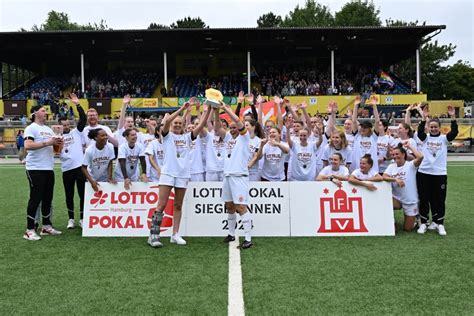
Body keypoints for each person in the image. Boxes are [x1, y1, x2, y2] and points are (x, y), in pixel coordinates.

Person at [148, 102, 211, 248]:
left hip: (182, 175)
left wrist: (207, 111)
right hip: (168, 173)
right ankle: (153, 235)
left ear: (183, 125)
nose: (177, 125)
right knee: (161, 205)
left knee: (178, 205)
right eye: (175, 123)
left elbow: (201, 126)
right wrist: (182, 109)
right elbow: (168, 120)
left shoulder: (188, 137)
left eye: (179, 123)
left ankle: (175, 234)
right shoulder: (166, 135)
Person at [214, 103, 253, 249]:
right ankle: (231, 234)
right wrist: (216, 111)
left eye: (234, 127)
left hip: (239, 176)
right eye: (230, 127)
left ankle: (248, 238)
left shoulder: (244, 138)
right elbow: (217, 128)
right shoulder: (228, 138)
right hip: (227, 176)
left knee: (241, 207)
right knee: (229, 206)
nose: (232, 128)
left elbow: (239, 122)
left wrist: (227, 110)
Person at [415, 105, 458, 236]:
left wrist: (452, 117)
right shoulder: (425, 137)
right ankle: (423, 223)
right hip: (424, 173)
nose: (433, 129)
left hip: (439, 174)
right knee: (424, 199)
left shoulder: (444, 139)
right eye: (431, 127)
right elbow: (420, 131)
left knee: (439, 199)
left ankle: (439, 223)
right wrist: (423, 118)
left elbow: (454, 133)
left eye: (436, 127)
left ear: (439, 128)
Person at [23, 104, 63, 241]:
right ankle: (29, 230)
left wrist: (59, 144)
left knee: (48, 199)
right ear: (35, 113)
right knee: (35, 199)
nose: (46, 112)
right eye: (43, 110)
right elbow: (28, 146)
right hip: (35, 169)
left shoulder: (48, 129)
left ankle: (46, 226)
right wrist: (47, 142)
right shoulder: (31, 128)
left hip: (48, 168)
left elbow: (55, 149)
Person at [58, 93, 87, 229]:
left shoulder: (76, 132)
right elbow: (56, 154)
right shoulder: (56, 137)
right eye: (64, 125)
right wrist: (59, 146)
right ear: (59, 126)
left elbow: (83, 118)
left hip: (79, 168)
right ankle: (71, 219)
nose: (67, 126)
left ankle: (82, 218)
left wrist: (77, 104)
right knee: (69, 195)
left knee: (82, 194)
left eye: (68, 124)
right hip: (66, 169)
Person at [383, 142, 424, 232]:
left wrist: (410, 146)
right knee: (385, 203)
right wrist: (395, 180)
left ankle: (417, 218)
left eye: (397, 154)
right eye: (393, 154)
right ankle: (391, 222)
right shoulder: (391, 166)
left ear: (403, 154)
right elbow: (384, 177)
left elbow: (420, 157)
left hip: (410, 200)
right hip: (396, 198)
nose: (395, 156)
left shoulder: (410, 165)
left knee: (407, 229)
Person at [351, 95, 381, 173]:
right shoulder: (357, 136)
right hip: (357, 169)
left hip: (372, 170)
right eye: (362, 127)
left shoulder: (373, 137)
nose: (362, 129)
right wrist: (356, 105)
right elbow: (354, 121)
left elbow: (377, 121)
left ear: (369, 129)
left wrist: (374, 106)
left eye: (365, 127)